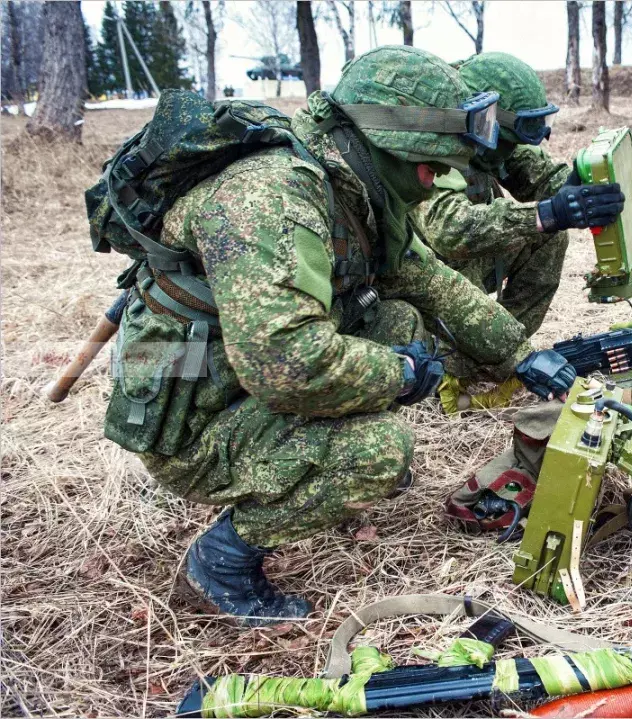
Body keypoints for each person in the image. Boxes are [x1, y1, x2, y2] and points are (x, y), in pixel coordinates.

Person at [103, 46, 579, 626]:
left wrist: (520, 354)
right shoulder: (274, 199)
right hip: (190, 415)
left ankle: (304, 458)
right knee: (379, 453)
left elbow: (422, 275)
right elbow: (288, 362)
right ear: (389, 146)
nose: (435, 184)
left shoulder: (351, 181)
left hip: (231, 368)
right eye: (432, 168)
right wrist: (400, 376)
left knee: (401, 322)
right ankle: (222, 560)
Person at [412, 52, 632, 340]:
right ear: (484, 121)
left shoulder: (493, 143)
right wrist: (547, 214)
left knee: (550, 237)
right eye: (510, 140)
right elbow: (449, 230)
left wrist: (603, 182)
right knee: (472, 260)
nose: (512, 149)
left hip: (459, 266)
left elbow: (540, 175)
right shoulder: (431, 142)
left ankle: (505, 348)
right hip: (420, 276)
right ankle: (462, 357)